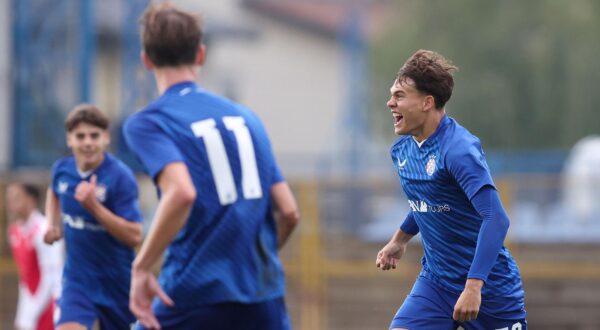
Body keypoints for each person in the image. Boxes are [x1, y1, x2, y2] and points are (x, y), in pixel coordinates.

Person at [123, 3, 300, 329]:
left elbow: (181, 193)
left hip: (192, 295)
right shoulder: (248, 119)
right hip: (263, 299)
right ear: (200, 55)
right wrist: (255, 263)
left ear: (146, 59)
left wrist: (141, 267)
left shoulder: (150, 122)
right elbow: (289, 211)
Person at [375, 50, 527, 330]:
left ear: (426, 102)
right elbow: (428, 201)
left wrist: (473, 286)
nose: (390, 103)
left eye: (399, 96)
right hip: (437, 284)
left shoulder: (458, 150)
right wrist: (400, 240)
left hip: (490, 290)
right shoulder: (402, 151)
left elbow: (496, 218)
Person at [44, 104, 143, 330]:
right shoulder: (62, 170)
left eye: (94, 136)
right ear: (70, 140)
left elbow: (134, 236)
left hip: (117, 283)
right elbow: (54, 191)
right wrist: (52, 223)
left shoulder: (120, 177)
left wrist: (94, 208)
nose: (87, 142)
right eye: (80, 136)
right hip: (77, 281)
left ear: (106, 138)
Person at [6, 182, 63, 330]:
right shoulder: (14, 231)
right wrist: (23, 312)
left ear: (31, 200)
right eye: (9, 198)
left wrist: (32, 314)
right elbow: (25, 277)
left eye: (17, 197)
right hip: (31, 301)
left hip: (50, 304)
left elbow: (51, 278)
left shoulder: (44, 231)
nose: (11, 202)